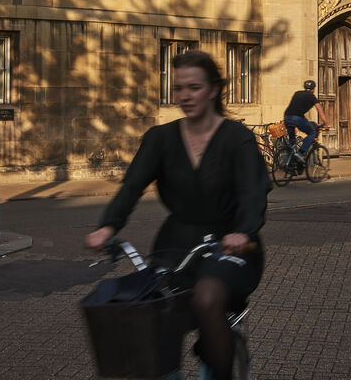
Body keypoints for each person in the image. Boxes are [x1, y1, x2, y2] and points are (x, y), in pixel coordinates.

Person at [85, 49, 268, 380]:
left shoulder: (236, 138)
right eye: (179, 87)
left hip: (231, 245)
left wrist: (243, 230)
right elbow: (131, 188)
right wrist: (108, 227)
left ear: (213, 89)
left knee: (207, 297)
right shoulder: (160, 139)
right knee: (145, 311)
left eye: (194, 87)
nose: (185, 95)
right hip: (176, 242)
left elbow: (253, 194)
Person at [281, 80, 327, 163]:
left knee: (292, 142)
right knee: (312, 133)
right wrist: (326, 123)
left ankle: (290, 164)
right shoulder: (312, 97)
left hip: (287, 117)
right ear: (313, 89)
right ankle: (301, 153)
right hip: (297, 118)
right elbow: (319, 109)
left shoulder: (297, 93)